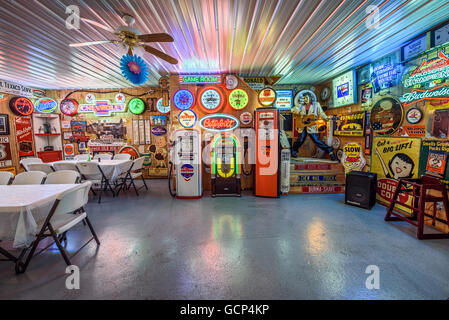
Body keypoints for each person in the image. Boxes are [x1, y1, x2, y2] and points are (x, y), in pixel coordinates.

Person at [291, 92, 336, 160]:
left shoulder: (316, 105)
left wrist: (326, 118)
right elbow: (292, 109)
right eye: (304, 98)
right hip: (302, 126)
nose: (305, 99)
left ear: (310, 98)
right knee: (300, 140)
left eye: (306, 98)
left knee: (316, 140)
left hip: (311, 126)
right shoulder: (300, 105)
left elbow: (321, 113)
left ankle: (330, 150)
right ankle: (294, 151)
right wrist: (299, 112)